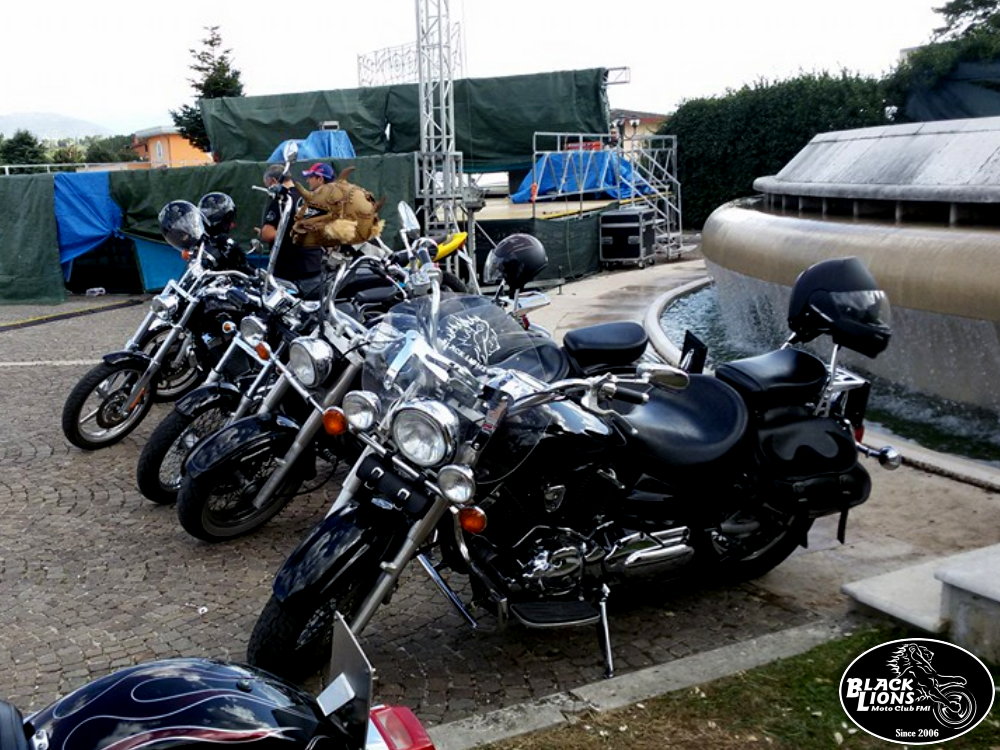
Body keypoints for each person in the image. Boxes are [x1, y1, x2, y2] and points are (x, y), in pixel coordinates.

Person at [254, 164, 324, 300]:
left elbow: (268, 234)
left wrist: (261, 232)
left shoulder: (281, 200)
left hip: (290, 268)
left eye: (268, 186)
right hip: (314, 263)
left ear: (273, 181)